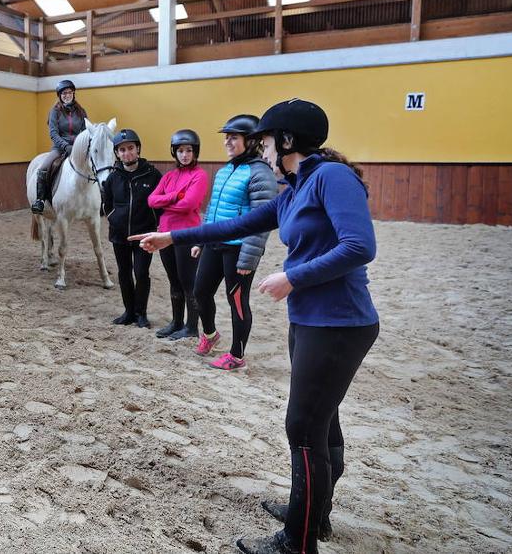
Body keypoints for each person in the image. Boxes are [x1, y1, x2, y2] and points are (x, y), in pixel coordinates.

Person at [131, 99, 379, 554]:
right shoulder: (297, 186)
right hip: (310, 319)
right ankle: (313, 513)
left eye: (265, 141)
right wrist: (173, 235)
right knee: (321, 422)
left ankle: (297, 543)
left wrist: (292, 276)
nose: (262, 151)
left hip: (339, 322)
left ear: (286, 141)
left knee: (303, 427)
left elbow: (360, 246)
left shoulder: (331, 177)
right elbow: (241, 222)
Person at [190, 114, 279, 369]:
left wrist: (249, 258)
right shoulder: (225, 170)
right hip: (215, 244)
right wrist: (200, 239)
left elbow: (261, 222)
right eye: (226, 137)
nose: (228, 142)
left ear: (251, 141)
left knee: (237, 300)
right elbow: (212, 209)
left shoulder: (261, 174)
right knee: (200, 291)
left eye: (234, 137)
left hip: (239, 249)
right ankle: (210, 335)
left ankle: (237, 356)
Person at [147, 129, 208, 340]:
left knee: (187, 281)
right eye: (180, 150)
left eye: (189, 150)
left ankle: (191, 327)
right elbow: (151, 200)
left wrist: (167, 204)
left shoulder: (199, 175)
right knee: (173, 280)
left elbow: (189, 204)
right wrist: (174, 197)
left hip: (187, 234)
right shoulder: (169, 176)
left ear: (195, 152)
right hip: (165, 234)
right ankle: (176, 322)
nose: (184, 155)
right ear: (175, 152)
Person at [100, 130, 161, 327]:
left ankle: (141, 313)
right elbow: (106, 204)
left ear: (138, 149)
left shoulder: (152, 175)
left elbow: (160, 203)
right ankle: (128, 312)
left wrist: (155, 224)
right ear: (117, 153)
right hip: (120, 235)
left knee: (141, 273)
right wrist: (114, 219)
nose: (127, 153)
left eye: (130, 149)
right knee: (123, 272)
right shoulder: (112, 177)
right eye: (122, 150)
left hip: (144, 234)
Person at [31, 79, 89, 214]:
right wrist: (65, 146)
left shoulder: (81, 112)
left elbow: (86, 131)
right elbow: (53, 133)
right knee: (44, 168)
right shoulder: (55, 112)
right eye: (63, 93)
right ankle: (40, 200)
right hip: (59, 148)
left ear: (73, 93)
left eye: (69, 92)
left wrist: (79, 146)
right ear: (60, 96)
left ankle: (100, 198)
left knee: (93, 165)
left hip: (78, 148)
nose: (66, 95)